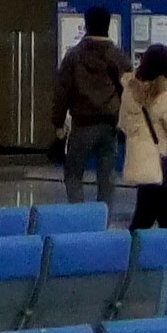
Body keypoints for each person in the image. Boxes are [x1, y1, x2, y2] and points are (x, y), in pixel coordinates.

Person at [54, 18, 128, 207]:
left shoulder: (74, 56)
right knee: (106, 178)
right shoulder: (117, 56)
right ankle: (103, 221)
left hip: (83, 124)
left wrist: (58, 122)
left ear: (87, 26)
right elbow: (128, 90)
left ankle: (80, 219)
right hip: (110, 125)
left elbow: (62, 91)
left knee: (73, 174)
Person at [122, 43, 167, 231]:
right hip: (160, 165)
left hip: (140, 162)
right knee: (162, 222)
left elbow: (122, 124)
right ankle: (133, 256)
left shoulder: (130, 93)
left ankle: (135, 254)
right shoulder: (165, 97)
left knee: (149, 217)